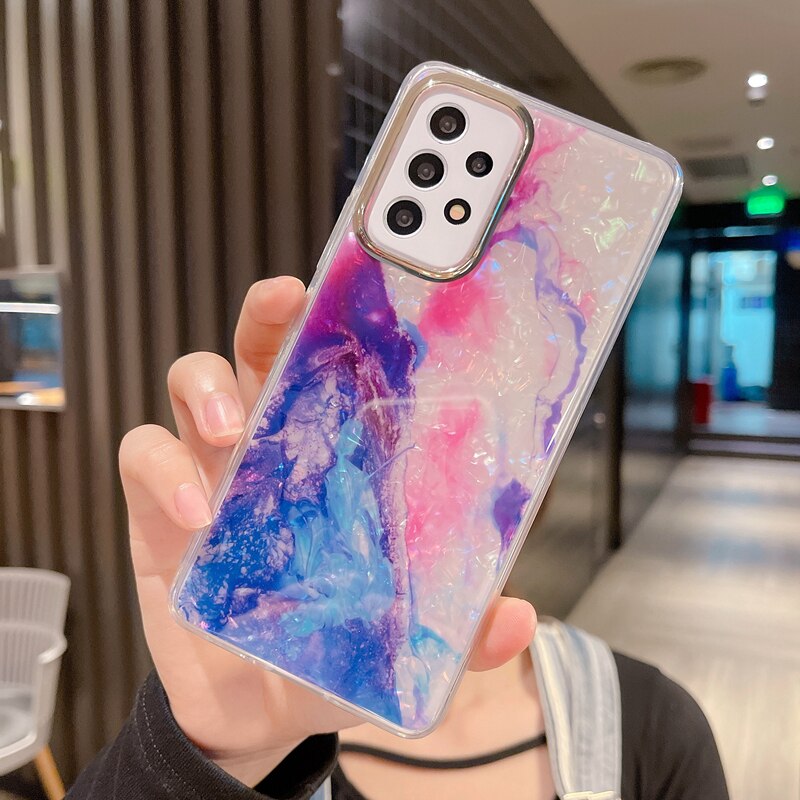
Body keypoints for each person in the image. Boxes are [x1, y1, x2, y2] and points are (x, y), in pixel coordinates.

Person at [66, 277, 728, 800]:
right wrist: (207, 761)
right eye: (391, 398)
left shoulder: (651, 730)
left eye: (471, 413)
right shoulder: (270, 721)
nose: (419, 451)